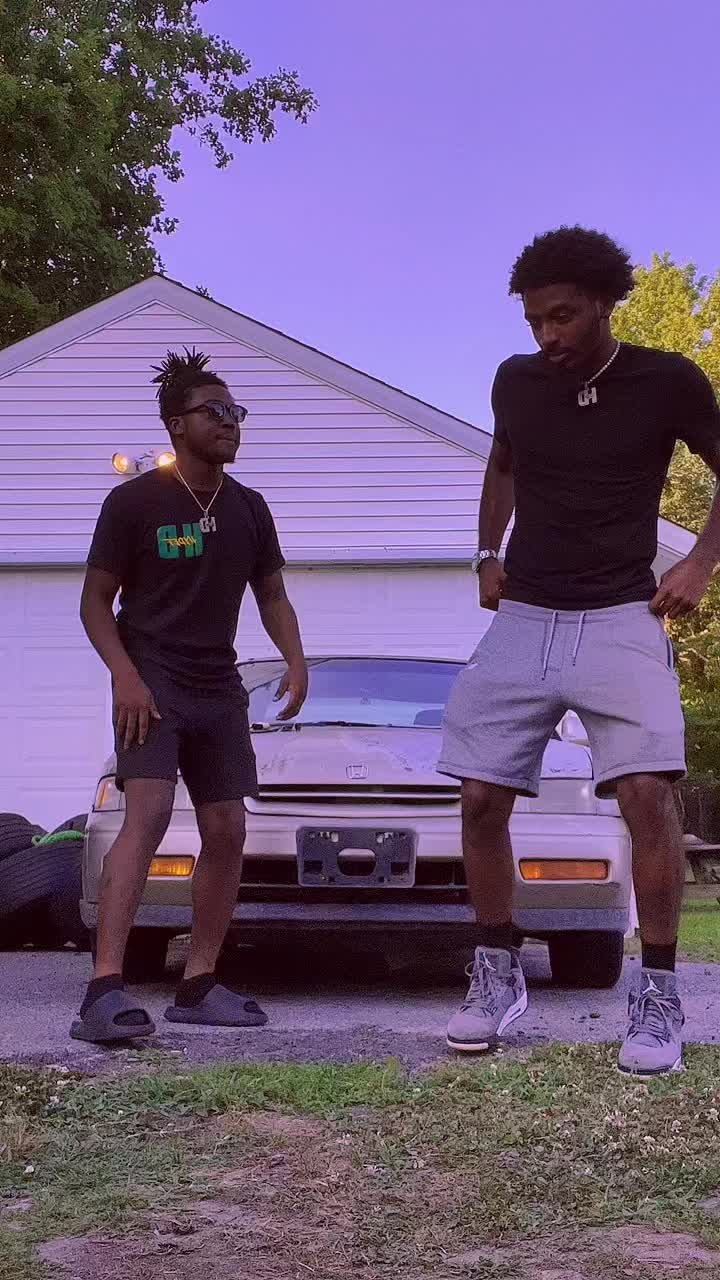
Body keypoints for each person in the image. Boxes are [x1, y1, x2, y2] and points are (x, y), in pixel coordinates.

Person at [438, 226, 720, 1076]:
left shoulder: (667, 380)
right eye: (534, 321)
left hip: (622, 614)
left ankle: (658, 997)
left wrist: (700, 563)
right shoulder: (515, 381)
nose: (547, 336)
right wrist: (486, 553)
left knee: (647, 794)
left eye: (561, 317)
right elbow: (502, 464)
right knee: (480, 796)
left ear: (603, 302)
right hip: (526, 613)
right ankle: (496, 974)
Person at [72, 349, 308, 1043]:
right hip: (152, 681)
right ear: (177, 424)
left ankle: (199, 983)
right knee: (145, 817)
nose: (231, 422)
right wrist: (124, 675)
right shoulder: (135, 502)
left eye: (237, 412)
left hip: (218, 685)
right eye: (216, 412)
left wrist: (296, 659)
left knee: (228, 829)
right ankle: (103, 990)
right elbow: (94, 601)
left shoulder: (249, 508)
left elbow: (272, 594)